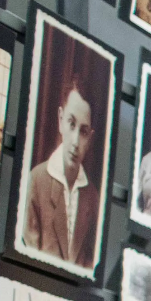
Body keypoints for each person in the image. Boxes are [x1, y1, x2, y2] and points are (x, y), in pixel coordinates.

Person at [24, 85, 99, 267]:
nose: (75, 142)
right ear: (60, 120)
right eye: (71, 124)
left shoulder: (93, 198)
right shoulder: (35, 181)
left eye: (83, 132)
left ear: (89, 138)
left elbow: (91, 264)